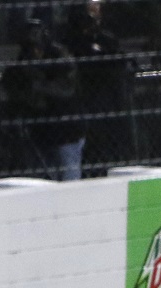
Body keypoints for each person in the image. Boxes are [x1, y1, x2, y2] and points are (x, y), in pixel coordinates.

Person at [2, 18, 85, 180]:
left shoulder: (60, 57)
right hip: (40, 131)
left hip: (66, 130)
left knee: (69, 177)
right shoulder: (23, 60)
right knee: (42, 179)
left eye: (36, 47)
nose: (34, 52)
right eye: (30, 47)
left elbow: (66, 89)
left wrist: (38, 86)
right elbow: (10, 82)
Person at [63, 0, 126, 170]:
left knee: (108, 142)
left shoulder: (106, 37)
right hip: (85, 97)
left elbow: (116, 60)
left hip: (106, 98)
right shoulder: (73, 39)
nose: (96, 9)